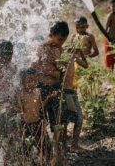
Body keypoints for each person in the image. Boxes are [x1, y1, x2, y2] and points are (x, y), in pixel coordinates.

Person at [32, 21, 69, 164]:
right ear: (51, 35)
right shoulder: (42, 48)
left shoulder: (60, 49)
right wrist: (52, 72)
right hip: (42, 89)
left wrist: (57, 74)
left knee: (57, 122)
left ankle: (57, 154)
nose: (61, 43)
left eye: (63, 40)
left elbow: (62, 70)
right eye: (59, 39)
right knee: (41, 121)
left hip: (55, 89)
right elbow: (34, 66)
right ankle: (44, 154)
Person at [0, 40, 17, 166]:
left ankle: (5, 160)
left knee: (9, 133)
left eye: (10, 55)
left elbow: (14, 87)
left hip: (9, 102)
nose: (8, 58)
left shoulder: (13, 67)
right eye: (6, 56)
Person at [16, 68, 45, 163]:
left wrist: (48, 98)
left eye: (34, 81)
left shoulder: (38, 92)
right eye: (29, 81)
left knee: (41, 145)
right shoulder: (20, 94)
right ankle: (27, 162)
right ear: (23, 82)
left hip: (37, 122)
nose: (32, 84)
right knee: (25, 148)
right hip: (26, 124)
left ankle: (42, 161)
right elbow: (20, 110)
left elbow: (41, 107)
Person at [62, 47, 88, 150]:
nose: (71, 52)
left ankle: (73, 145)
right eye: (69, 50)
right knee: (65, 120)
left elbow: (86, 65)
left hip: (72, 91)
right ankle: (64, 145)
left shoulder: (75, 58)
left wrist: (81, 52)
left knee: (78, 118)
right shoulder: (63, 59)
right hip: (65, 92)